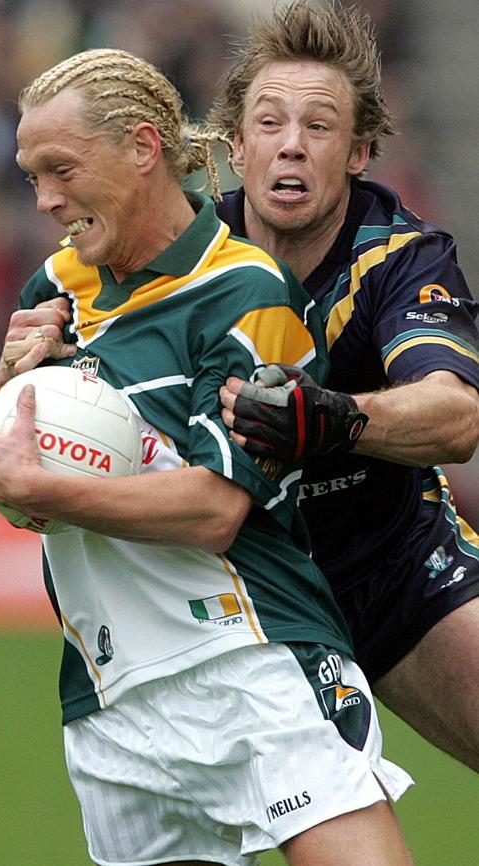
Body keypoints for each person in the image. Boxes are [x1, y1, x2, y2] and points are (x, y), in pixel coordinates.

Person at [0, 47, 414, 866]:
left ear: (143, 148)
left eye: (61, 169)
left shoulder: (242, 291)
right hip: (110, 696)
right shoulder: (56, 287)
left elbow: (216, 510)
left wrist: (39, 486)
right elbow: (3, 472)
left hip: (249, 659)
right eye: (31, 175)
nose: (44, 199)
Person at [206, 0, 479, 771]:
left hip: (395, 569)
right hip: (237, 597)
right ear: (236, 143)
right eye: (269, 123)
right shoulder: (182, 258)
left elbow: (456, 416)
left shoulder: (402, 259)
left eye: (319, 127)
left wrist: (328, 418)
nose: (291, 145)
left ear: (358, 151)